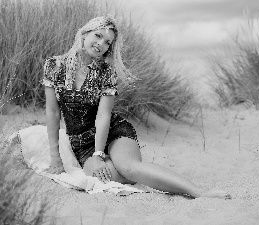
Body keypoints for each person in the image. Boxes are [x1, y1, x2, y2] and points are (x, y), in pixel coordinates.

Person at [42, 15, 231, 199]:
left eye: (108, 42)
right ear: (85, 34)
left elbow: (103, 116)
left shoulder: (106, 72)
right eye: (98, 36)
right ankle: (140, 170)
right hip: (82, 143)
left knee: (129, 168)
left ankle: (198, 191)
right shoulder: (55, 66)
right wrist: (55, 157)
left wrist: (99, 154)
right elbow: (52, 111)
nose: (101, 44)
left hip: (113, 131)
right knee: (107, 176)